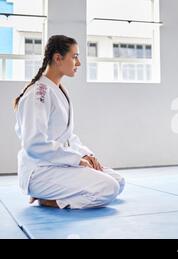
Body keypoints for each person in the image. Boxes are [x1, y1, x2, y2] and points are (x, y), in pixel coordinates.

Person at [13, 35, 125, 209]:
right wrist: (76, 159)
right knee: (108, 187)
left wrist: (85, 154)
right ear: (58, 58)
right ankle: (48, 199)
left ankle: (53, 192)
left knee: (119, 181)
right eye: (74, 57)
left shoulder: (58, 89)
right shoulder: (39, 93)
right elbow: (34, 144)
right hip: (40, 171)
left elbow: (67, 137)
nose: (78, 63)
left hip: (59, 164)